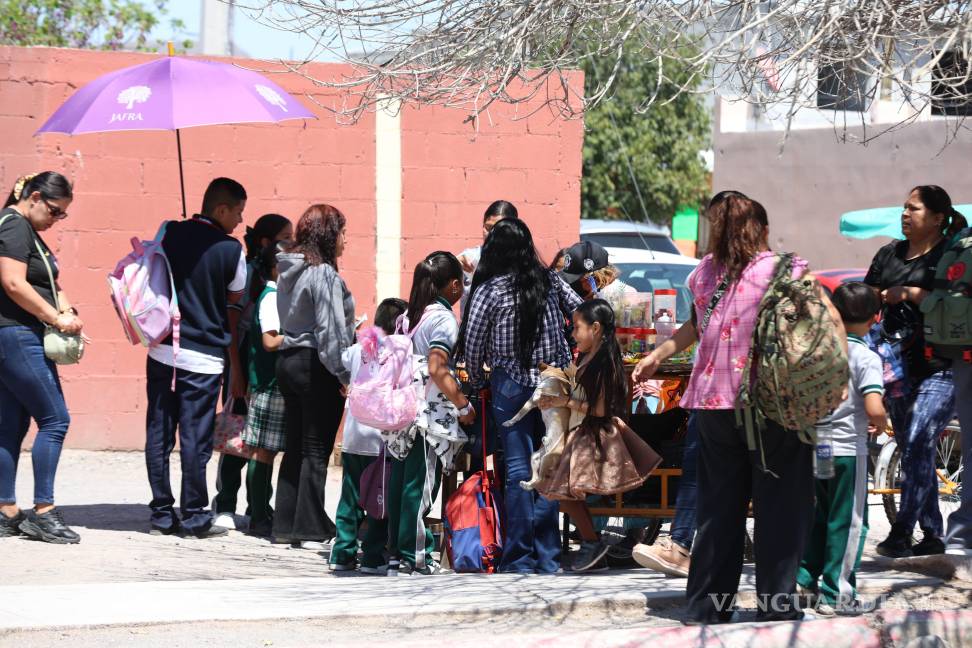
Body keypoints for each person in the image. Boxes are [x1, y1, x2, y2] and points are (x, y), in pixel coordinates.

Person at [633, 193, 838, 623]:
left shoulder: (705, 273)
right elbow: (824, 327)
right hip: (774, 407)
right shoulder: (785, 269)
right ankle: (776, 606)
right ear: (760, 229)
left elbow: (696, 324)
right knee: (779, 508)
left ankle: (706, 605)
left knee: (718, 510)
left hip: (713, 406)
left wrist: (657, 354)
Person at [458, 218, 583, 574]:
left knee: (516, 470)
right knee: (548, 467)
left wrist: (480, 370)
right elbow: (581, 310)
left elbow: (473, 341)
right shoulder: (549, 279)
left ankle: (519, 557)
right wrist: (571, 346)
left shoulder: (489, 290)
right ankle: (548, 557)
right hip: (553, 383)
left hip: (509, 385)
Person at [144, 177, 248, 538]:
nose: (239, 220)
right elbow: (235, 297)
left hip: (162, 350)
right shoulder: (232, 250)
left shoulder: (168, 231)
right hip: (202, 359)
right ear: (221, 209)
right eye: (237, 212)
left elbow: (151, 268)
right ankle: (192, 516)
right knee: (195, 438)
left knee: (158, 434)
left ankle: (160, 515)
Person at [868, 186, 965, 558]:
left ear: (938, 217)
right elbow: (867, 293)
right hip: (895, 368)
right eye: (903, 208)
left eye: (914, 208)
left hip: (941, 364)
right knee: (912, 449)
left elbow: (956, 303)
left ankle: (902, 529)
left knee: (921, 439)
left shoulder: (952, 254)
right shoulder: (888, 253)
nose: (905, 214)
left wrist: (910, 293)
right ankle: (932, 533)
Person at [536, 299, 659, 572]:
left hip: (593, 435)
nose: (573, 333)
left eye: (577, 327)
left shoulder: (602, 361)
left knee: (566, 493)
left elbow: (600, 408)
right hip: (581, 431)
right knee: (566, 494)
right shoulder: (588, 356)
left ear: (595, 328)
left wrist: (563, 401)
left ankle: (593, 543)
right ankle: (593, 544)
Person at [0, 172, 84, 544]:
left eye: (62, 215)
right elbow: (14, 283)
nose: (56, 219)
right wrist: (55, 318)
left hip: (15, 335)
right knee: (55, 419)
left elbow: (47, 282)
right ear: (34, 197)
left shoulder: (26, 230)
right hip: (16, 335)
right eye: (54, 210)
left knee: (11, 425)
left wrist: (68, 310)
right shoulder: (15, 225)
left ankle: (6, 511)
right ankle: (44, 513)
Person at [798, 282, 887, 615]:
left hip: (818, 444)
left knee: (821, 513)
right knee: (850, 521)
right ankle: (837, 592)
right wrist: (881, 420)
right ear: (874, 318)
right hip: (849, 447)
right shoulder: (866, 356)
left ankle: (805, 577)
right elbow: (874, 405)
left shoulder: (821, 350)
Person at [384, 252, 475, 576]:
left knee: (400, 482)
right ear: (453, 285)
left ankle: (395, 552)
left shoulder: (407, 317)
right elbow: (438, 367)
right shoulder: (443, 320)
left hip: (402, 409)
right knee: (420, 485)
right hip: (426, 413)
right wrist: (463, 405)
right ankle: (415, 556)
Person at [274, 204, 355, 549]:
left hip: (288, 359)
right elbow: (331, 330)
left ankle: (285, 523)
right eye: (342, 232)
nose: (345, 240)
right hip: (314, 364)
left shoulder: (289, 270)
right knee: (315, 446)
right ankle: (309, 527)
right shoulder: (322, 274)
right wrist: (344, 373)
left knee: (294, 445)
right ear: (328, 235)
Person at [213, 214, 293, 530]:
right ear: (266, 242)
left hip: (264, 372)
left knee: (260, 442)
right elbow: (233, 326)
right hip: (245, 368)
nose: (291, 242)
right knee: (238, 438)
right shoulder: (247, 275)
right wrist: (236, 372)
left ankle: (257, 507)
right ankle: (225, 504)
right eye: (285, 237)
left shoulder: (278, 280)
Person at [329, 297, 408, 574]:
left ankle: (342, 553)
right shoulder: (400, 352)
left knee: (349, 497)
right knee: (379, 499)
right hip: (381, 438)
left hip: (353, 434)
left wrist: (346, 383)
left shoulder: (357, 349)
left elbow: (338, 361)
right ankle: (373, 556)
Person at [239, 242, 289, 538]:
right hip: (269, 385)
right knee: (263, 451)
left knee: (266, 450)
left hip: (271, 384)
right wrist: (298, 335)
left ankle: (261, 507)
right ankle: (258, 512)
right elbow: (270, 341)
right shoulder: (271, 298)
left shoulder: (277, 297)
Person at [457, 200, 518, 313]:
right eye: (488, 228)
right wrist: (452, 264)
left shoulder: (522, 262)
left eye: (499, 229)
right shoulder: (471, 257)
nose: (492, 234)